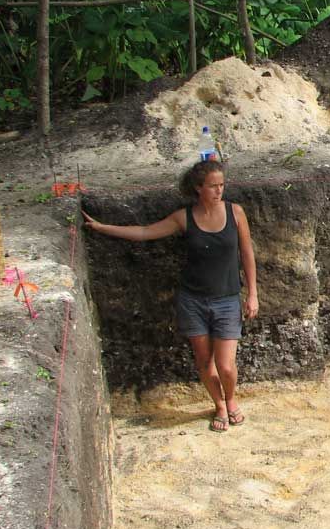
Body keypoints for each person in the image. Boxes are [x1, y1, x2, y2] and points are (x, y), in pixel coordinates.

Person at [83, 160, 259, 432]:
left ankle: (231, 399)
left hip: (227, 299)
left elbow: (247, 254)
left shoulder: (236, 213)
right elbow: (145, 232)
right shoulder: (184, 217)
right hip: (193, 301)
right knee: (204, 361)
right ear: (198, 188)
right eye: (213, 186)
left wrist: (253, 294)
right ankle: (219, 405)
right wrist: (103, 228)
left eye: (222, 185)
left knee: (226, 366)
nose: (219, 191)